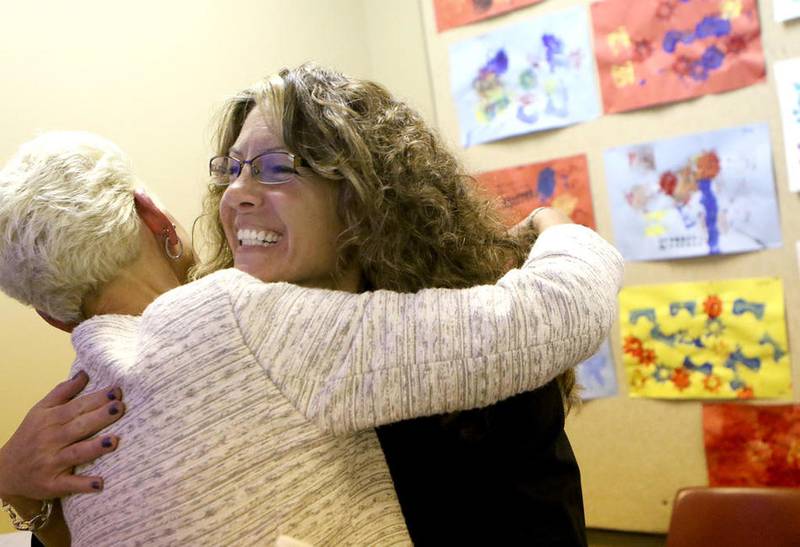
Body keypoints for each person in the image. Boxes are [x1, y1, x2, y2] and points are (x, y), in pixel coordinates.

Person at [0, 65, 622, 545]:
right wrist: (558, 226)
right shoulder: (236, 340)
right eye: (232, 169)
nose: (237, 193)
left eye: (274, 167)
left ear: (362, 194)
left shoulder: (469, 345)